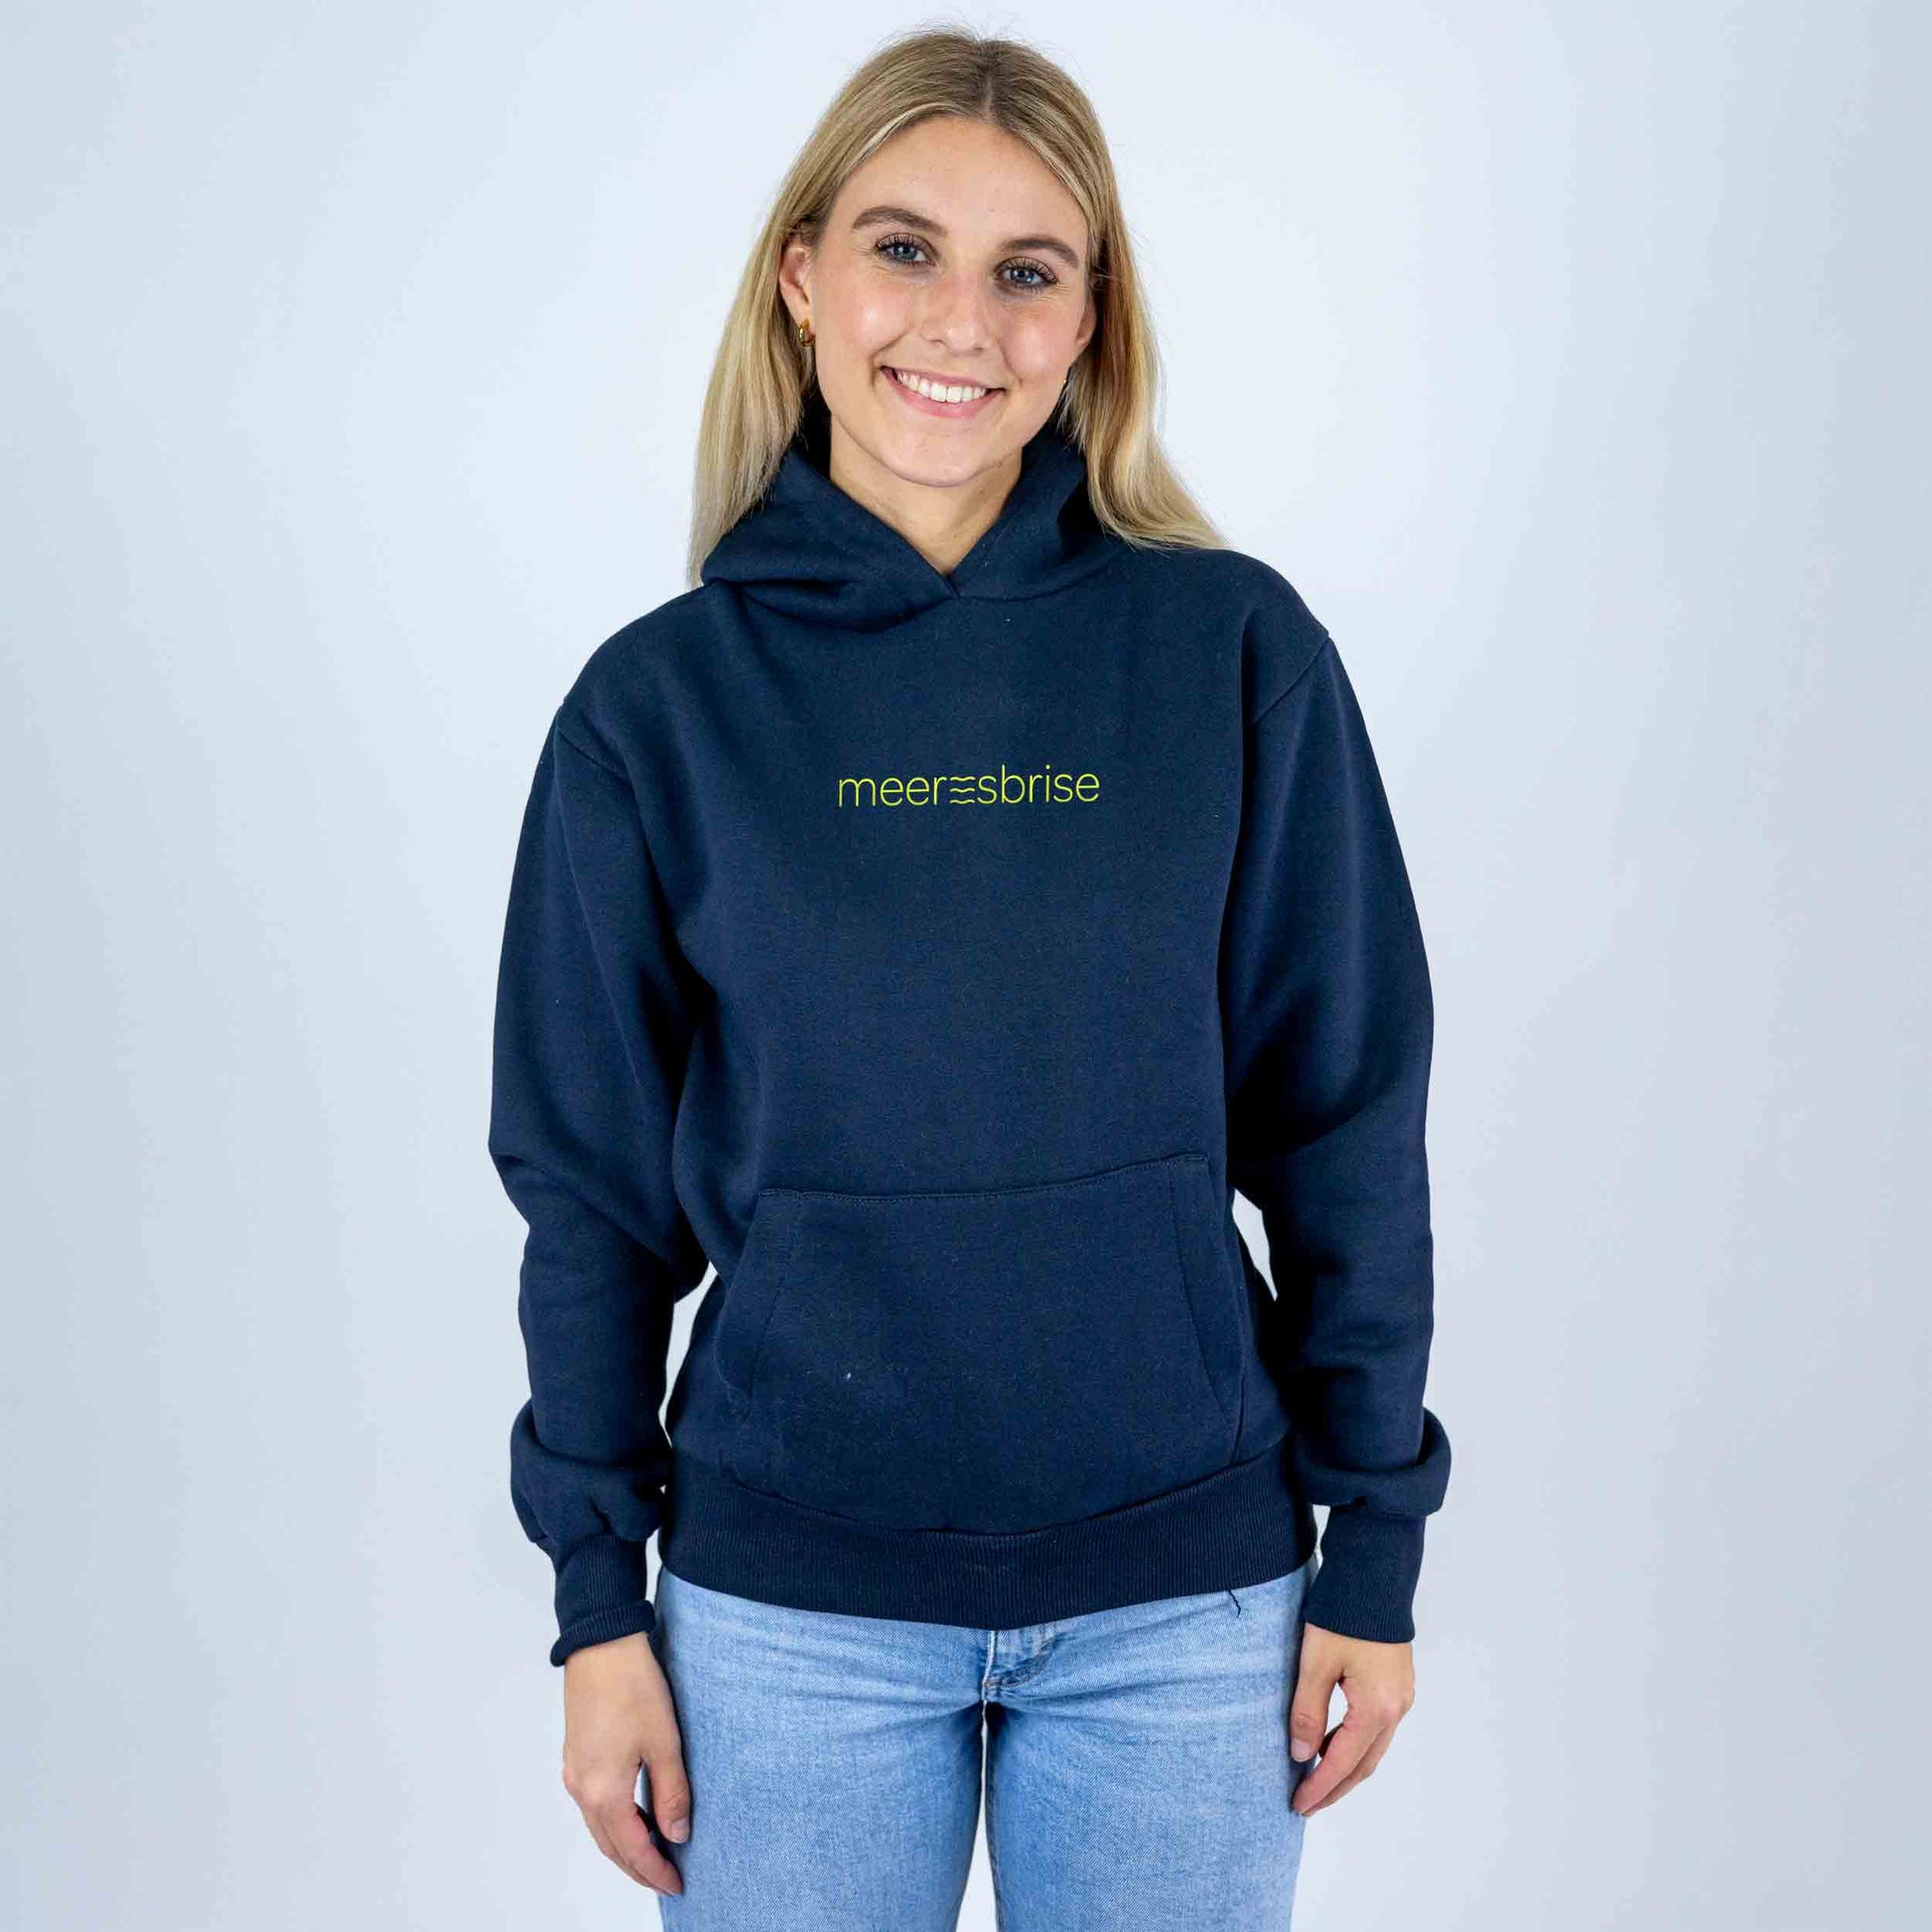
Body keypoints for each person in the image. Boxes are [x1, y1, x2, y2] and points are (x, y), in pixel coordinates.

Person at [487, 26, 1450, 1928]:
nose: (961, 321)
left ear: (1088, 322)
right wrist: (598, 1603)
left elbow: (1344, 1109)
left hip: (1189, 1605)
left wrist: (1376, 1540)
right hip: (786, 1613)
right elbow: (589, 1192)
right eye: (902, 248)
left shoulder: (1230, 652)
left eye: (1028, 269)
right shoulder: (655, 711)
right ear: (802, 278)